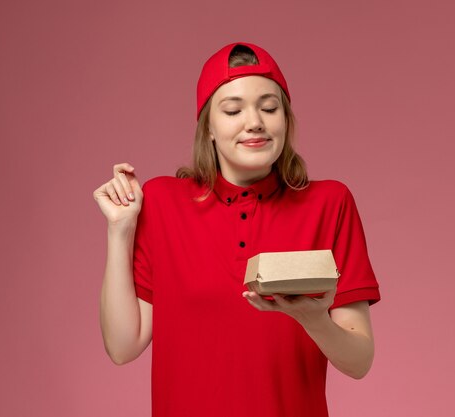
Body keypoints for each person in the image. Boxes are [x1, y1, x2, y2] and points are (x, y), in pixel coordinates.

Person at [93, 42, 381, 417]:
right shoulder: (163, 202)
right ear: (208, 128)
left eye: (269, 107)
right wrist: (120, 231)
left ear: (286, 120)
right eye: (233, 110)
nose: (254, 122)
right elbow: (122, 346)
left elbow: (358, 362)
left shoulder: (329, 204)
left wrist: (313, 319)